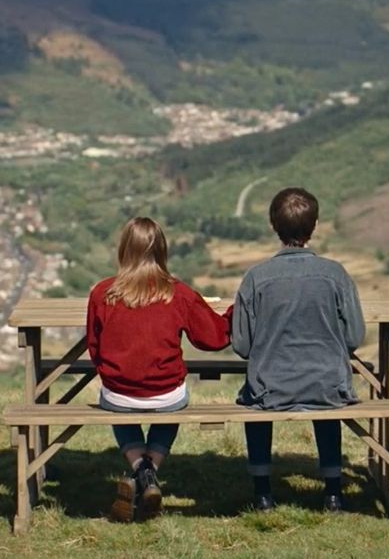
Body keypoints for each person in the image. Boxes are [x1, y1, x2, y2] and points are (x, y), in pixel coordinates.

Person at [86, 216, 231, 522]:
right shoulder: (178, 293)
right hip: (167, 394)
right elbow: (213, 338)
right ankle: (149, 473)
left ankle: (140, 469)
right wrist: (233, 313)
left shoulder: (101, 293)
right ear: (163, 251)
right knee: (173, 403)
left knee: (118, 402)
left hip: (118, 394)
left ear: (124, 249)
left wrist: (115, 373)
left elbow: (94, 348)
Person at [231, 187, 365, 512]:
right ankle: (333, 492)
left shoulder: (255, 278)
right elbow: (354, 336)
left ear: (273, 225)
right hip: (328, 385)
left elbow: (242, 345)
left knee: (254, 397)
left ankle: (263, 493)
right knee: (323, 383)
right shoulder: (336, 274)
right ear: (315, 225)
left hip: (270, 388)